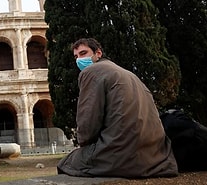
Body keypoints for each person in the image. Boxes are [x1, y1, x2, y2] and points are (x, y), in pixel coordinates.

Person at [57, 38, 178, 178]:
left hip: (121, 155)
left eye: (83, 53)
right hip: (155, 157)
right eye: (76, 56)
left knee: (66, 163)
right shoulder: (130, 75)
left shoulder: (90, 71)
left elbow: (88, 122)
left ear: (98, 53)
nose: (79, 60)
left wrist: (84, 143)